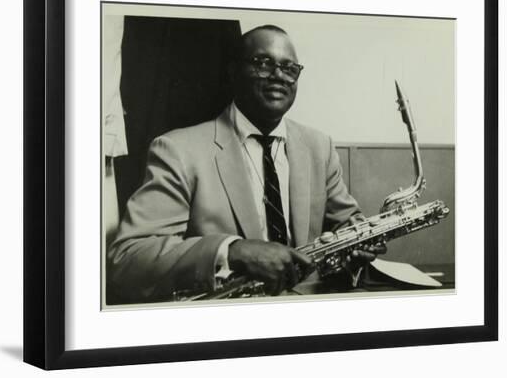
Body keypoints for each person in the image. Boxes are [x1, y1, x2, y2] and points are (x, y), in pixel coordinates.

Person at [108, 25, 385, 303]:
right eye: (263, 63)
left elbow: (347, 222)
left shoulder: (319, 146)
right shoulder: (178, 150)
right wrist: (232, 251)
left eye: (289, 68)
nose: (278, 75)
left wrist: (358, 244)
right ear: (233, 71)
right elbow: (129, 259)